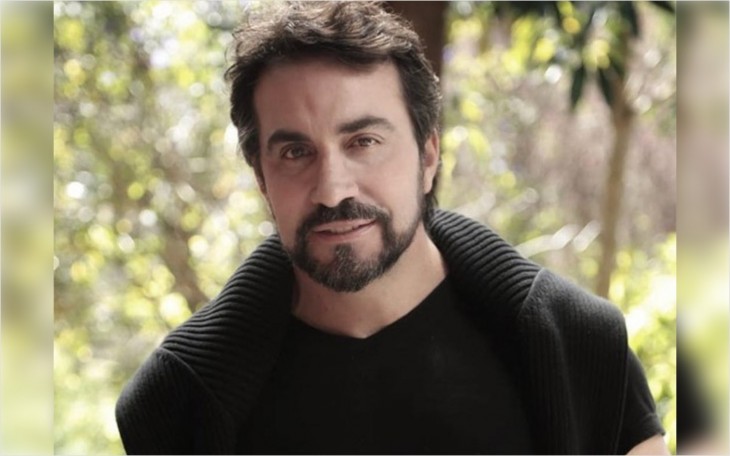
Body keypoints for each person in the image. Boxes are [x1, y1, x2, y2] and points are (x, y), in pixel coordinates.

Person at [116, 2, 668, 454]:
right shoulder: (179, 401)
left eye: (364, 142)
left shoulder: (574, 344)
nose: (333, 189)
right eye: (295, 152)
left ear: (428, 156)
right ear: (261, 178)